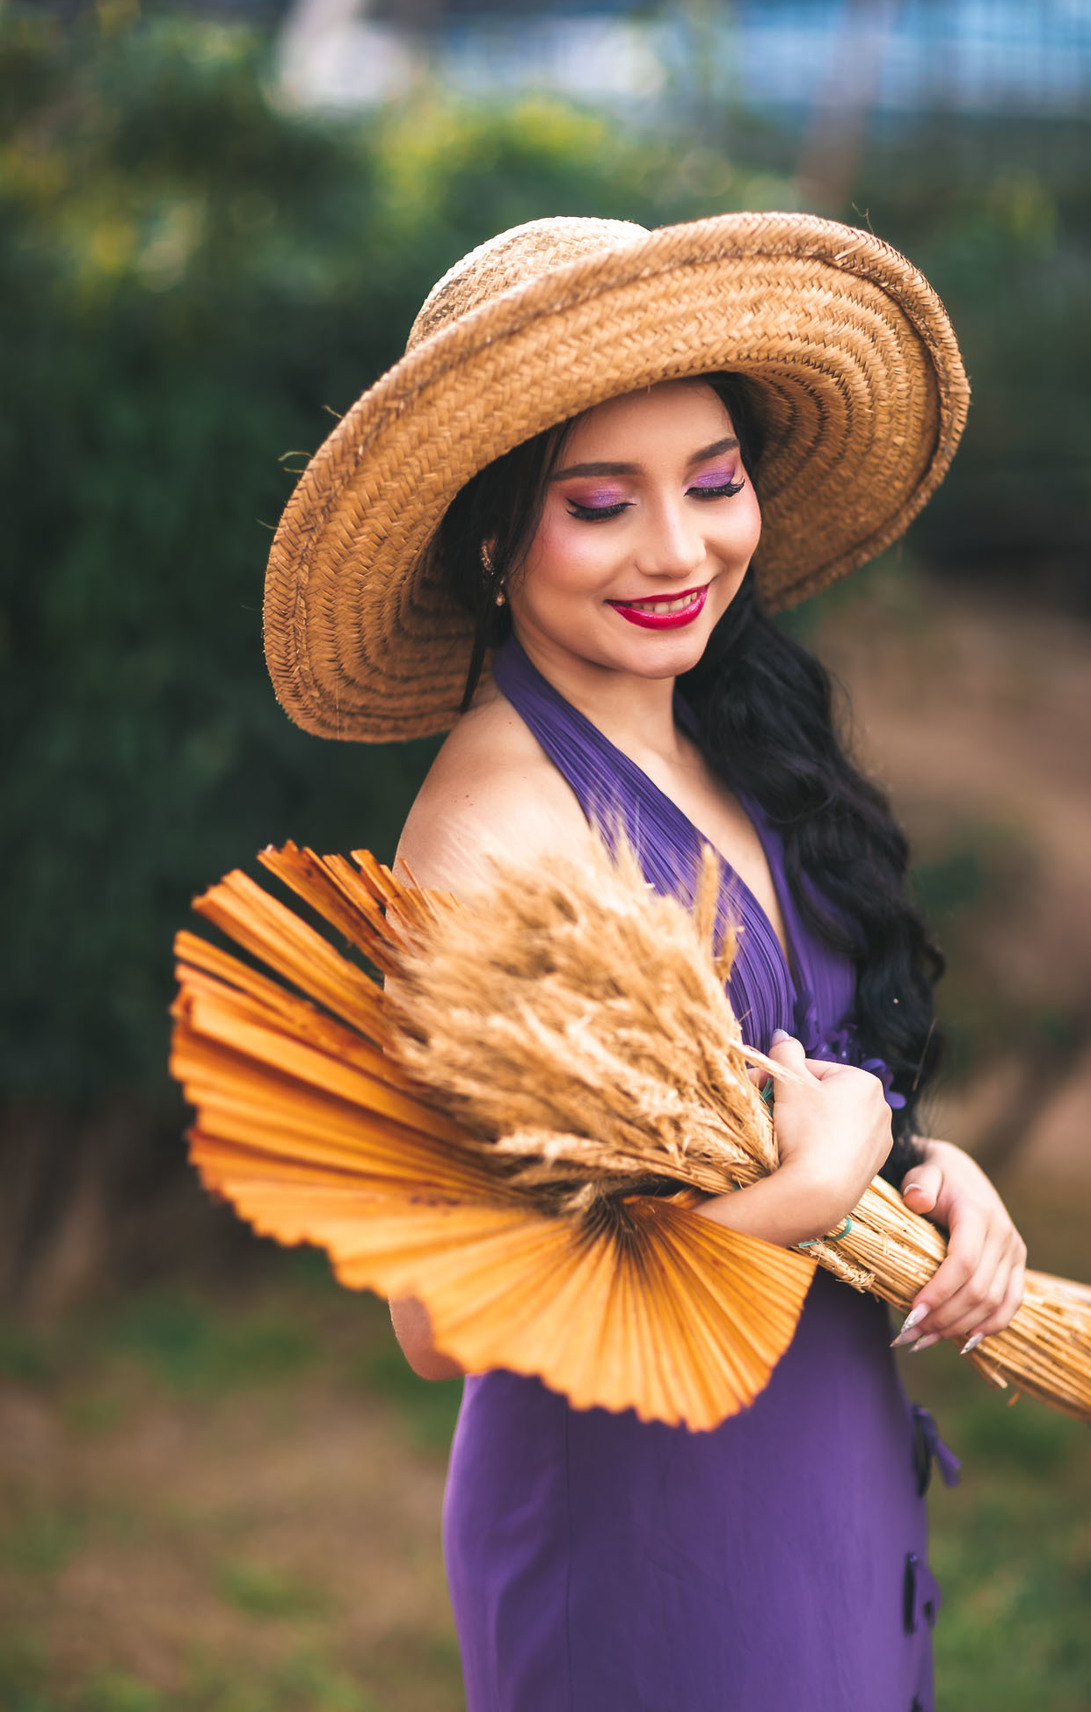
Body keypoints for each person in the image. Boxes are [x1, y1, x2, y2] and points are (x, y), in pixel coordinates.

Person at [263, 213, 1027, 1711]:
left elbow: (804, 1079)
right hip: (644, 1526)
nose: (680, 552)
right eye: (601, 505)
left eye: (715, 483)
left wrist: (918, 1180)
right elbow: (446, 1321)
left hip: (822, 1459)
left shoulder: (732, 739)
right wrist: (813, 1193)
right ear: (493, 541)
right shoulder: (491, 836)